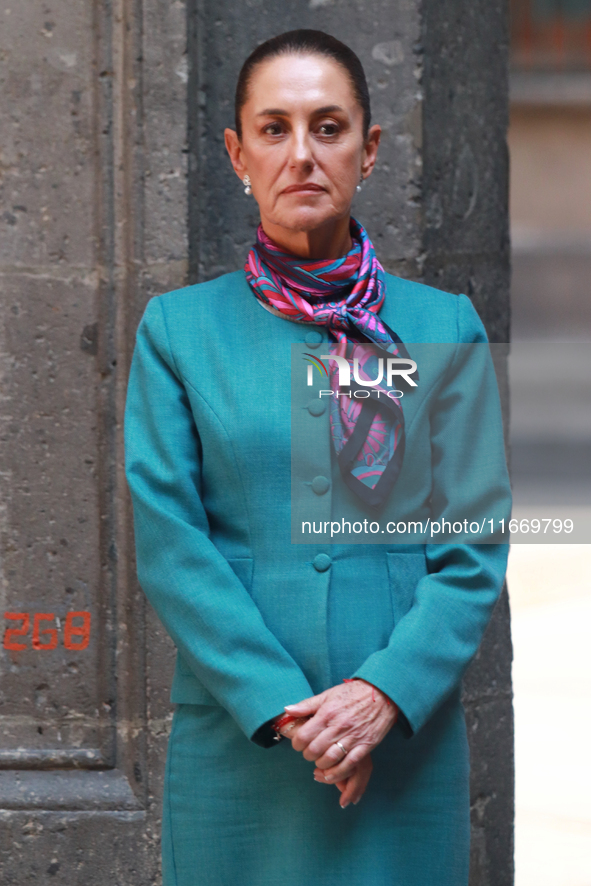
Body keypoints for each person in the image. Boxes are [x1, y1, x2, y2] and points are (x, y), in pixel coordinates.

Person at [124, 29, 512, 886]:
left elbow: (470, 546)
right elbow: (172, 545)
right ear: (236, 153)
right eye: (274, 129)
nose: (301, 154)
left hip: (403, 745)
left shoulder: (438, 325)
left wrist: (381, 695)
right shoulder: (180, 332)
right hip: (245, 747)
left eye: (328, 127)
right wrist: (291, 712)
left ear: (368, 150)